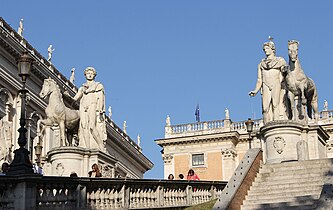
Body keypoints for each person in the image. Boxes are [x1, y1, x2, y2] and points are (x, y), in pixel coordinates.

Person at [249, 38, 287, 124]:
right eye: (264, 49)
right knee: (265, 108)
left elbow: (284, 72)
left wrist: (285, 69)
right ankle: (267, 125)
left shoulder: (280, 60)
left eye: (267, 49)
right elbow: (259, 80)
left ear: (272, 49)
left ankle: (276, 124)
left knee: (276, 104)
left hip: (276, 83)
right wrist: (255, 91)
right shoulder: (261, 64)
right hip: (265, 85)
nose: (265, 51)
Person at [73, 67, 107, 149]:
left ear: (94, 75)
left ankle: (100, 146)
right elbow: (75, 98)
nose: (90, 75)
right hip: (83, 106)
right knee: (84, 126)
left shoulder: (98, 85)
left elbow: (101, 98)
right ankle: (86, 147)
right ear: (85, 75)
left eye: (92, 73)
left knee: (92, 126)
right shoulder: (82, 87)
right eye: (88, 73)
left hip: (93, 105)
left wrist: (101, 109)